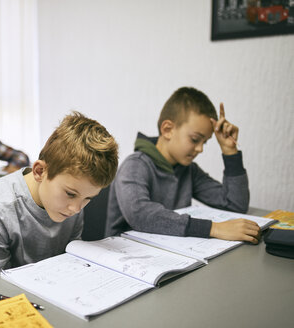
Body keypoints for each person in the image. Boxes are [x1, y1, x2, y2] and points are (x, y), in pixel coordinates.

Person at [0, 112, 119, 285]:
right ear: (40, 171)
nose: (77, 209)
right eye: (70, 194)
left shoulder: (73, 200)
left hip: (43, 289)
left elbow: (70, 261)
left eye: (88, 198)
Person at [105, 87, 261, 243]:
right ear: (167, 130)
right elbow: (140, 215)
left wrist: (229, 151)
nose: (200, 149)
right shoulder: (134, 166)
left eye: (204, 142)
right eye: (194, 139)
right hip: (127, 257)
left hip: (172, 252)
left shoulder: (188, 170)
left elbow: (234, 204)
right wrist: (214, 228)